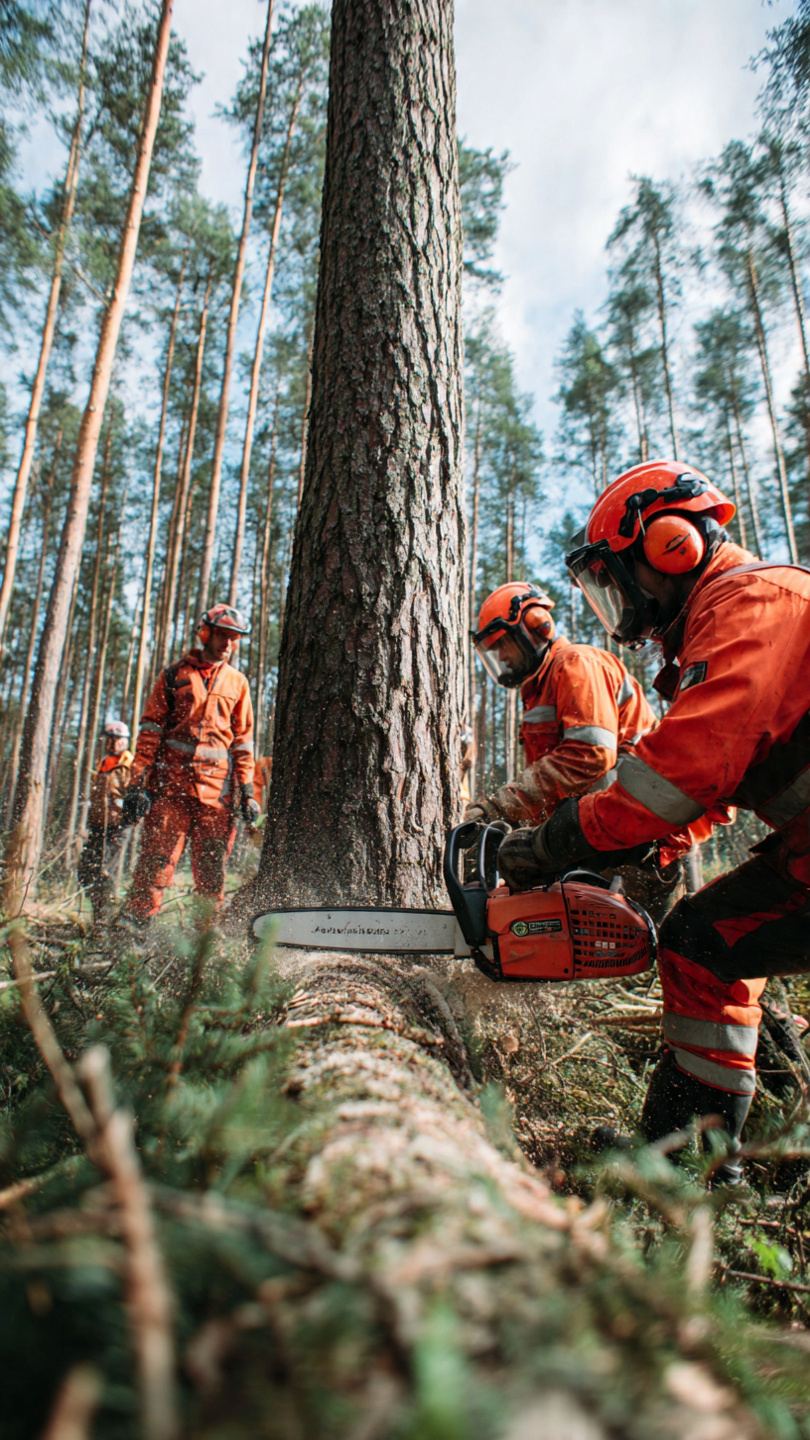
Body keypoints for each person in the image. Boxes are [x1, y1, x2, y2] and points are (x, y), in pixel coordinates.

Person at [497, 460, 810, 1182]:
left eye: (616, 580)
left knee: (702, 941)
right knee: (703, 942)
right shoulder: (727, 618)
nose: (618, 602)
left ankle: (692, 1162)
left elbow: (680, 776)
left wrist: (555, 841)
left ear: (672, 545)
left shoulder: (750, 604)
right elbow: (710, 788)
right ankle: (692, 1158)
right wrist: (638, 842)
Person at [467, 581, 692, 920]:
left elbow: (590, 755)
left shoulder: (576, 663)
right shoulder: (539, 689)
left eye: (502, 645)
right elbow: (553, 785)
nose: (501, 657)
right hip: (598, 833)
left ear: (536, 628)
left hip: (638, 835)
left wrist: (500, 807)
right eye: (492, 651)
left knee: (644, 937)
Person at [120, 604, 261, 924]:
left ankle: (204, 940)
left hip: (217, 797)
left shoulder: (237, 683)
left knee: (212, 872)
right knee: (156, 863)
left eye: (234, 638)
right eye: (223, 636)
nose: (228, 644)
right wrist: (137, 784)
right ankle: (135, 928)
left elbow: (243, 742)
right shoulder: (174, 675)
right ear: (205, 634)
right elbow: (150, 732)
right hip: (170, 790)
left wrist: (247, 791)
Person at [77, 719, 133, 921]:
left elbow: (135, 797)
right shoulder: (104, 763)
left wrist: (125, 813)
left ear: (123, 740)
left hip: (117, 827)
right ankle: (98, 915)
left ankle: (105, 921)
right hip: (98, 826)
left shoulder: (129, 764)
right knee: (86, 870)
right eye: (108, 739)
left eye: (115, 739)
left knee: (104, 873)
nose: (111, 743)